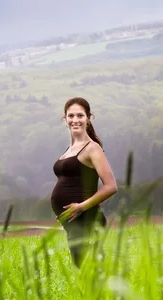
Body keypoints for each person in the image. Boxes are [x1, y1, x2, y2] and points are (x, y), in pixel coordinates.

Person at [50, 97, 118, 267]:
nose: (75, 120)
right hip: (74, 221)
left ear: (88, 118)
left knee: (90, 273)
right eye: (71, 116)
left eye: (80, 116)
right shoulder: (70, 149)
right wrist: (63, 211)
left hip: (88, 219)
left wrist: (80, 206)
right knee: (84, 272)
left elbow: (111, 186)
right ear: (65, 119)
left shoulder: (92, 148)